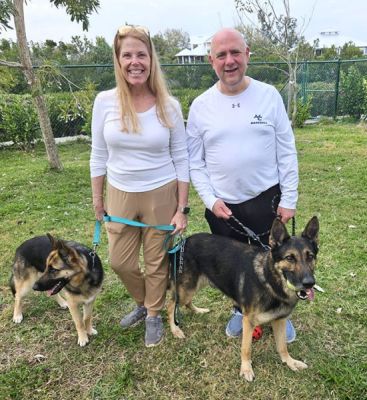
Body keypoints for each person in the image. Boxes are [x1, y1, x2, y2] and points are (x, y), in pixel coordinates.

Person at [186, 28, 299, 343]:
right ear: (212, 61)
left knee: (272, 263)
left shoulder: (268, 95)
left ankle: (276, 309)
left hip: (266, 200)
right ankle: (241, 309)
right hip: (223, 208)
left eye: (235, 52)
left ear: (247, 54)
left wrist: (289, 198)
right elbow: (195, 162)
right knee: (233, 267)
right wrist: (209, 199)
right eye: (221, 55)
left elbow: (286, 150)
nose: (229, 60)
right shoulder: (200, 106)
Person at [90, 25, 190, 348]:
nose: (135, 62)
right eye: (127, 55)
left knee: (157, 259)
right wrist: (97, 198)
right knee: (120, 261)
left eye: (141, 54)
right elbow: (98, 153)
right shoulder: (104, 103)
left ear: (151, 59)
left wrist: (181, 208)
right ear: (118, 61)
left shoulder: (169, 105)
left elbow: (182, 157)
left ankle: (153, 315)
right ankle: (145, 300)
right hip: (119, 192)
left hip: (161, 191)